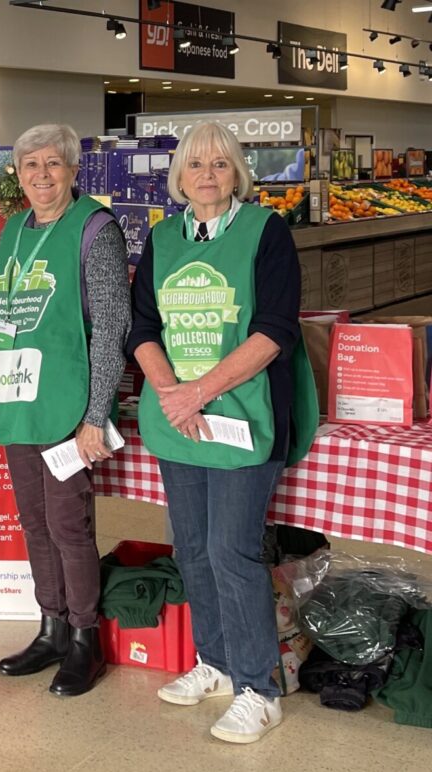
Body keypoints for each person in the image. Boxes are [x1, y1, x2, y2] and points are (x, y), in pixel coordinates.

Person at [127, 121, 317, 743]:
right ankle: (212, 660)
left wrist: (199, 392)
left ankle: (259, 688)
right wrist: (170, 392)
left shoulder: (266, 232)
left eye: (219, 163)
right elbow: (142, 324)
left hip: (242, 414)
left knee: (232, 551)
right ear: (179, 176)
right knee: (191, 549)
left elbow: (276, 327)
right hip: (180, 420)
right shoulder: (163, 239)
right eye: (194, 165)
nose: (206, 174)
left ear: (237, 172)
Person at [0, 124, 130, 697]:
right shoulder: (13, 231)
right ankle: (50, 626)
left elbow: (112, 325)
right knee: (34, 522)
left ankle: (84, 638)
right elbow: (2, 316)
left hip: (68, 402)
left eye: (53, 164)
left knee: (69, 524)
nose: (41, 175)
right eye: (30, 166)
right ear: (18, 175)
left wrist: (97, 413)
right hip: (18, 398)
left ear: (73, 170)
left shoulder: (95, 230)